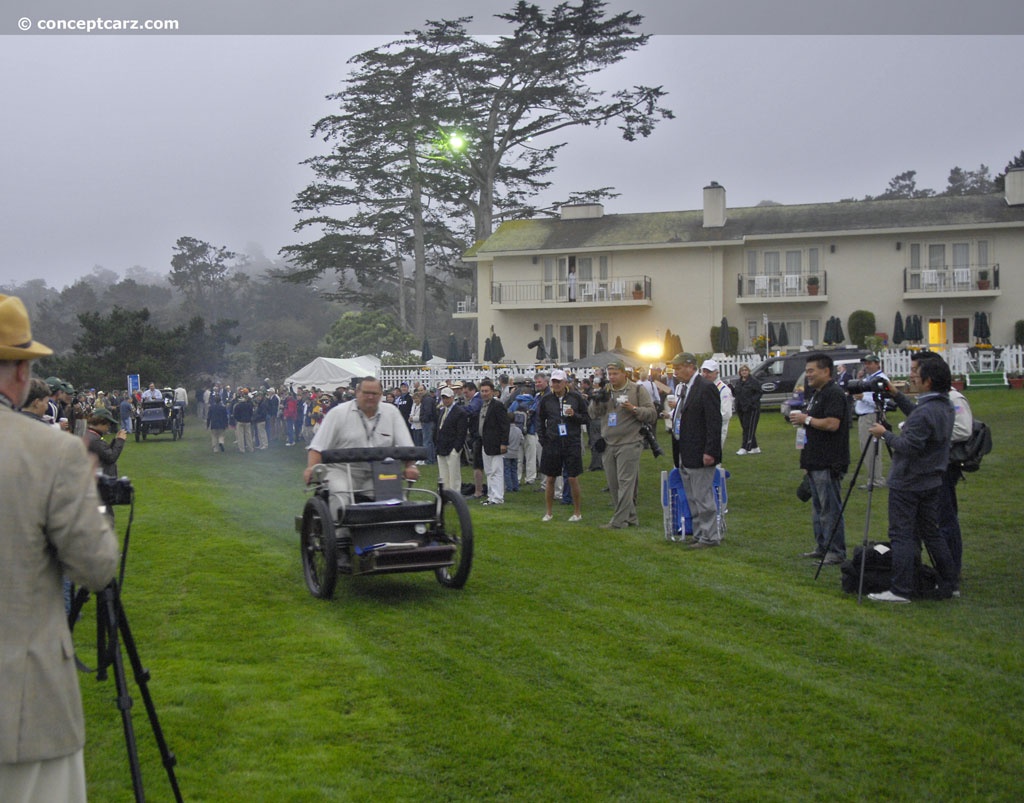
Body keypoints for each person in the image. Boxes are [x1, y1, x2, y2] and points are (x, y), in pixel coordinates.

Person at [0, 294, 119, 801]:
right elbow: (96, 567)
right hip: (21, 711)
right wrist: (86, 496)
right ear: (22, 372)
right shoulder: (52, 451)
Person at [866, 355, 959, 603]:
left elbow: (908, 445)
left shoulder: (925, 412)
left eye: (916, 375)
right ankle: (950, 581)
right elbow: (919, 415)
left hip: (908, 481)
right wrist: (896, 395)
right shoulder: (945, 406)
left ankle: (900, 589)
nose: (912, 377)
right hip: (931, 479)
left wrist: (884, 433)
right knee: (932, 533)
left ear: (927, 381)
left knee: (902, 534)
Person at [304, 376, 418, 498]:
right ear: (357, 392)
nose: (370, 397)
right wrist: (311, 468)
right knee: (340, 495)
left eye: (374, 393)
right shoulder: (337, 413)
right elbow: (317, 447)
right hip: (341, 470)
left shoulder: (392, 413)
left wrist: (410, 466)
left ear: (381, 395)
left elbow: (407, 447)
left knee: (394, 501)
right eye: (366, 393)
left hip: (377, 471)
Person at [788, 353, 850, 565]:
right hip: (814, 461)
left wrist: (807, 419)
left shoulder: (834, 394)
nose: (808, 375)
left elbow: (833, 424)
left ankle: (836, 551)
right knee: (818, 508)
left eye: (811, 371)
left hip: (829, 461)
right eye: (807, 371)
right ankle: (822, 547)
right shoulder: (816, 394)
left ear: (826, 371)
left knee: (830, 508)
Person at [588, 359, 657, 529]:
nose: (612, 377)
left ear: (624, 373)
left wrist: (633, 408)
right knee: (613, 484)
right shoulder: (605, 391)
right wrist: (596, 401)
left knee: (625, 482)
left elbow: (652, 413)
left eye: (615, 373)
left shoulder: (637, 389)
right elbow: (592, 415)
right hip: (609, 443)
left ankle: (618, 521)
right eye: (609, 374)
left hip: (630, 441)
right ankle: (631, 517)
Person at [669, 352, 723, 548]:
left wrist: (710, 451)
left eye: (678, 368)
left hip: (700, 451)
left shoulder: (706, 388)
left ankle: (710, 536)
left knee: (702, 496)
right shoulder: (684, 388)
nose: (675, 372)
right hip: (685, 450)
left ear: (690, 366)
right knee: (692, 496)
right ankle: (700, 533)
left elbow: (713, 423)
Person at [537, 368, 588, 522]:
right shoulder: (546, 400)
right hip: (552, 442)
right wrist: (543, 439)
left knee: (572, 478)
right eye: (554, 381)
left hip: (571, 441)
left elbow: (586, 418)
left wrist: (575, 415)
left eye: (559, 381)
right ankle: (549, 512)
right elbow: (540, 420)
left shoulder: (575, 398)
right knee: (551, 477)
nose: (556, 384)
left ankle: (577, 512)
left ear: (565, 382)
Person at [852, 353, 889, 489]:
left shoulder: (880, 379)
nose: (866, 366)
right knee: (865, 448)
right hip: (864, 415)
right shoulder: (869, 379)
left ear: (877, 364)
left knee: (872, 449)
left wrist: (863, 398)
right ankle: (873, 477)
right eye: (865, 364)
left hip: (871, 415)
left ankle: (876, 479)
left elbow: (882, 402)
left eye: (869, 363)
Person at [477, 378, 510, 506]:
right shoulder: (483, 405)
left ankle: (498, 497)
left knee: (496, 471)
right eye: (482, 391)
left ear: (493, 392)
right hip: (486, 442)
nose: (484, 393)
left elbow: (504, 425)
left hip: (496, 443)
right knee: (489, 471)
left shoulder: (497, 405)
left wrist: (504, 443)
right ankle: (491, 496)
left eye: (486, 391)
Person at [434, 386, 468, 493]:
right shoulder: (442, 411)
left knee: (454, 474)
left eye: (447, 398)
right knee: (443, 474)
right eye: (443, 398)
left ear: (452, 397)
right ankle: (445, 493)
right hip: (441, 447)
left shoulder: (460, 412)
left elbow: (461, 432)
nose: (445, 400)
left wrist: (456, 449)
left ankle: (455, 494)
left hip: (452, 447)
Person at [83, 406, 127, 477]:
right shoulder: (95, 439)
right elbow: (111, 457)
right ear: (100, 422)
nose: (108, 427)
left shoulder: (90, 434)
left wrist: (115, 440)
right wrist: (120, 440)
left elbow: (105, 451)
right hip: (101, 479)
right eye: (107, 424)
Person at [700, 358, 733, 450]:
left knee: (713, 457)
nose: (705, 375)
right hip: (702, 429)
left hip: (717, 429)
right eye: (704, 371)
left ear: (716, 373)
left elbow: (726, 413)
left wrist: (710, 421)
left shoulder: (723, 390)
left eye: (709, 372)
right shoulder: (701, 387)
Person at [731, 363, 762, 455]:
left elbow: (759, 393)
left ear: (748, 371)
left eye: (745, 370)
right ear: (740, 372)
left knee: (749, 428)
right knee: (745, 427)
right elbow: (736, 393)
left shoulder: (753, 381)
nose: (744, 372)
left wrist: (752, 402)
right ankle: (755, 447)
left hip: (752, 409)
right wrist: (731, 389)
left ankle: (745, 447)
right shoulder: (739, 382)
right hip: (741, 408)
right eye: (742, 370)